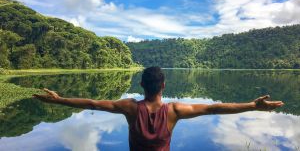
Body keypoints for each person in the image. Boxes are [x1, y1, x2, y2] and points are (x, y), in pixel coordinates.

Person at [33, 66, 284, 151]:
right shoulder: (174, 110)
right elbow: (213, 109)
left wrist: (59, 99)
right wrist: (252, 105)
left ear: (141, 84)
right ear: (163, 85)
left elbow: (92, 103)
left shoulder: (130, 108)